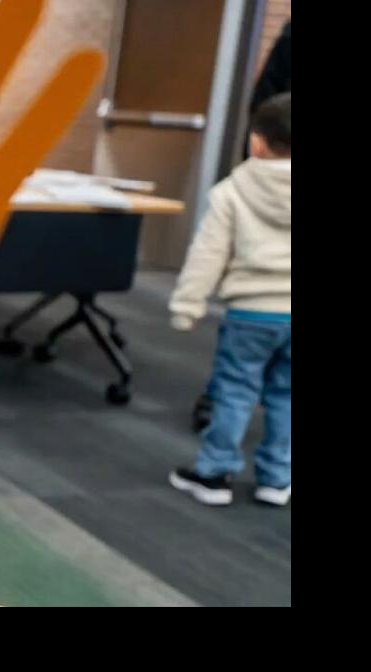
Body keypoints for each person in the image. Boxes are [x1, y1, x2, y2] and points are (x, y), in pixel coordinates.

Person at [168, 93, 290, 507]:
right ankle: (277, 478)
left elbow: (208, 254)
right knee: (287, 396)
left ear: (256, 142)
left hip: (251, 313)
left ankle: (214, 473)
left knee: (235, 391)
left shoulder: (232, 192)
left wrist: (188, 306)